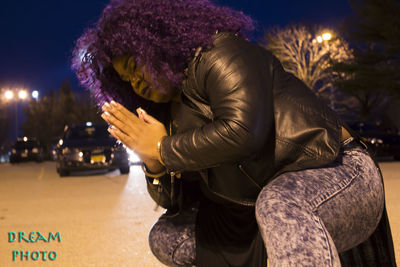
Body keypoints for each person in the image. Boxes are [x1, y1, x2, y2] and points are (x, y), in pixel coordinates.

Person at [72, 0, 396, 266]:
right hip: (248, 206)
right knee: (166, 235)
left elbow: (243, 131)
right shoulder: (162, 115)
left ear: (156, 46)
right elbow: (176, 201)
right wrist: (155, 165)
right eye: (126, 79)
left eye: (136, 67)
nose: (135, 83)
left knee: (279, 203)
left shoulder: (221, 53)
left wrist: (161, 148)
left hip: (334, 170)